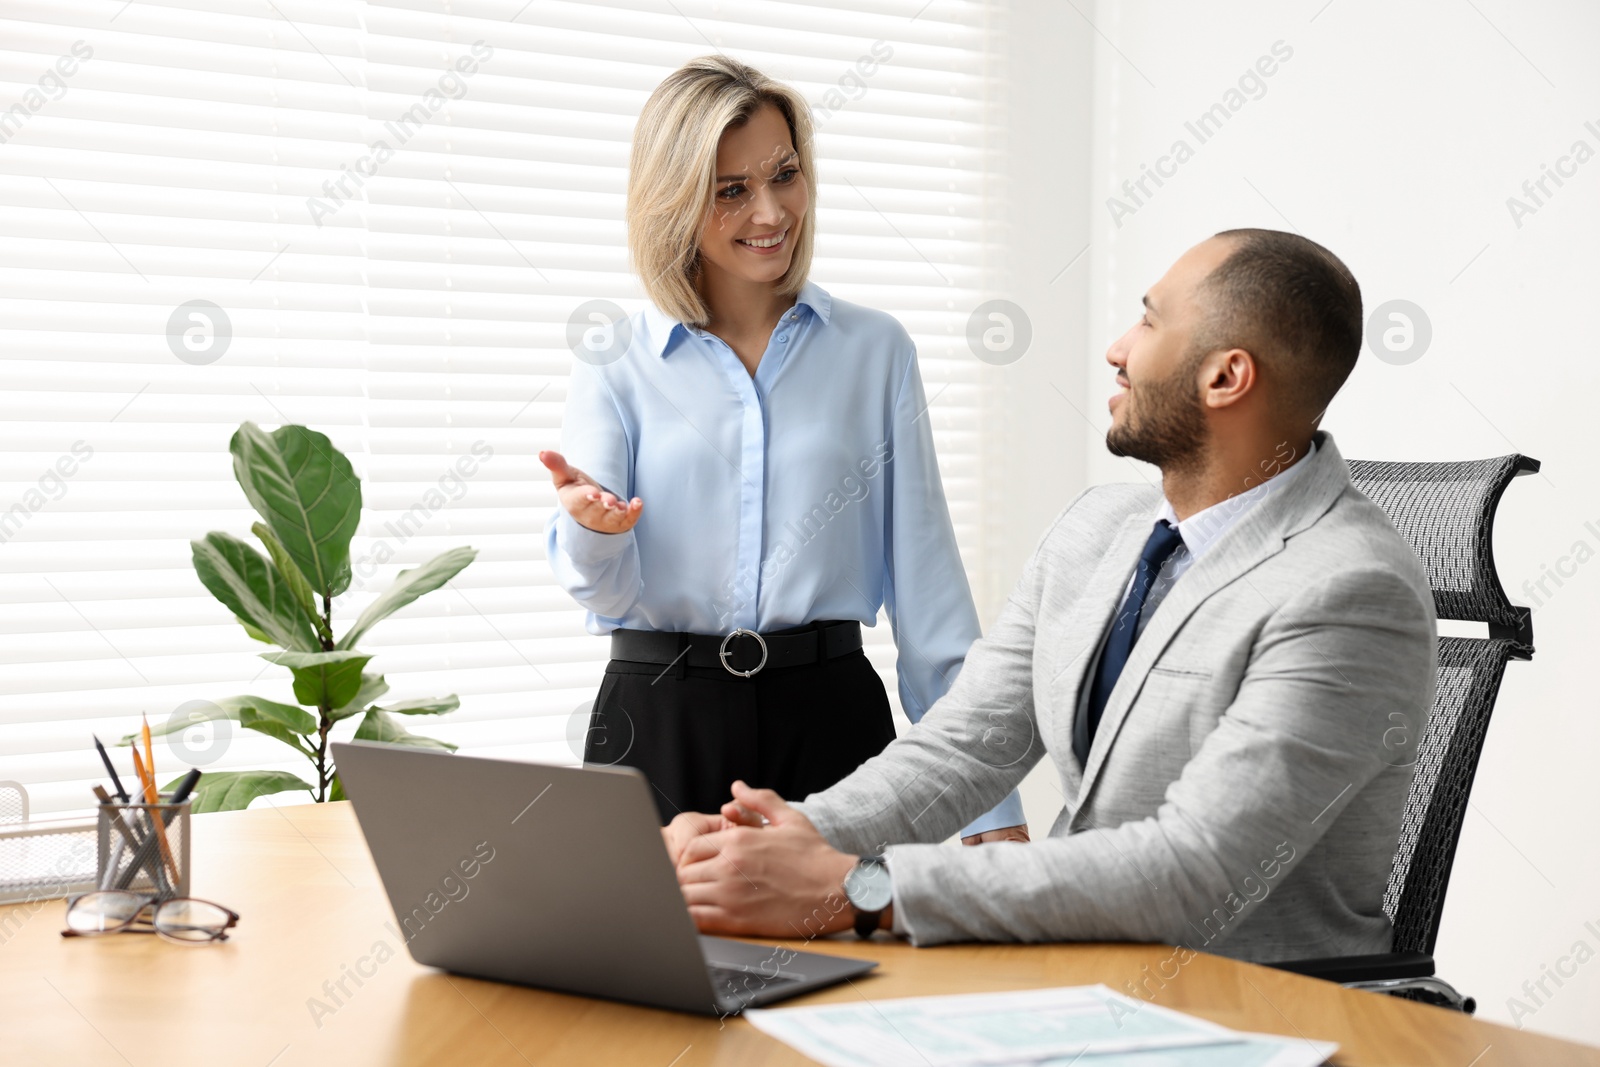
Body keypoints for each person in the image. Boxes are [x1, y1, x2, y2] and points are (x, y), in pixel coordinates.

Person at [662, 229, 1439, 963]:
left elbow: (1192, 872)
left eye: (1148, 320)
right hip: (1072, 978)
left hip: (1243, 1012)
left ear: (1225, 376)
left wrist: (857, 887)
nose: (1118, 349)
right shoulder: (1097, 529)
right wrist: (772, 838)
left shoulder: (1349, 590)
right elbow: (964, 745)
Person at [541, 56, 1025, 841]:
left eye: (785, 175)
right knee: (649, 961)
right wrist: (593, 532)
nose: (771, 211)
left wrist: (989, 811)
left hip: (834, 725)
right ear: (676, 200)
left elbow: (933, 610)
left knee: (863, 961)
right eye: (732, 189)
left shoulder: (875, 351)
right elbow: (605, 594)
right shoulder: (616, 357)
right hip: (657, 721)